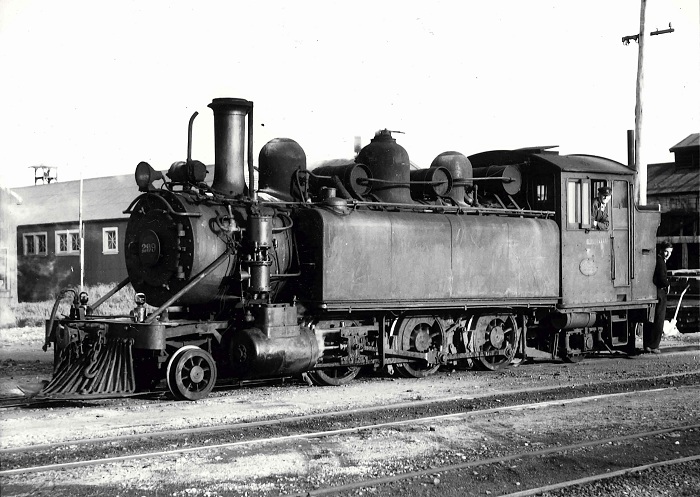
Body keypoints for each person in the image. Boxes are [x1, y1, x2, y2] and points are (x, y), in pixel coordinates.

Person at [644, 241, 673, 354]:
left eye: (669, 252)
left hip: (652, 292)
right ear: (662, 250)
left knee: (650, 319)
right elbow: (661, 278)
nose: (668, 254)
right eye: (666, 251)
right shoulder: (660, 262)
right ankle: (654, 345)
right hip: (660, 292)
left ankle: (647, 345)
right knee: (659, 319)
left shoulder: (656, 259)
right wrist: (667, 284)